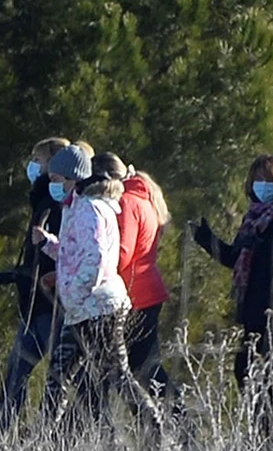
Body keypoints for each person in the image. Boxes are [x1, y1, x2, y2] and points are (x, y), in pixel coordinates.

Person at [40, 142, 159, 433]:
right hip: (85, 309)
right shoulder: (77, 208)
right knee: (61, 374)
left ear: (72, 179)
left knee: (115, 375)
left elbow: (96, 261)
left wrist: (76, 295)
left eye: (55, 179)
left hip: (95, 309)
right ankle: (44, 440)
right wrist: (48, 245)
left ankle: (155, 429)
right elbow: (74, 255)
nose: (52, 185)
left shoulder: (88, 210)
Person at [192, 153, 273, 429]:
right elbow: (237, 257)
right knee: (249, 368)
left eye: (268, 180)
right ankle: (265, 431)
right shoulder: (256, 220)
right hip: (253, 307)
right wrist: (207, 240)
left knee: (262, 371)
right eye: (257, 179)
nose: (261, 185)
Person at [0, 137, 77, 430]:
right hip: (35, 302)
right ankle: (2, 430)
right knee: (20, 371)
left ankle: (44, 432)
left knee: (49, 374)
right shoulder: (42, 201)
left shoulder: (55, 204)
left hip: (49, 303)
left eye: (37, 160)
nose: (32, 166)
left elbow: (61, 253)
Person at [108, 150, 175, 393]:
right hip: (146, 292)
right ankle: (158, 422)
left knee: (142, 369)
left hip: (136, 294)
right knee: (139, 368)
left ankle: (178, 421)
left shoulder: (126, 201)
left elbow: (123, 252)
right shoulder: (142, 198)